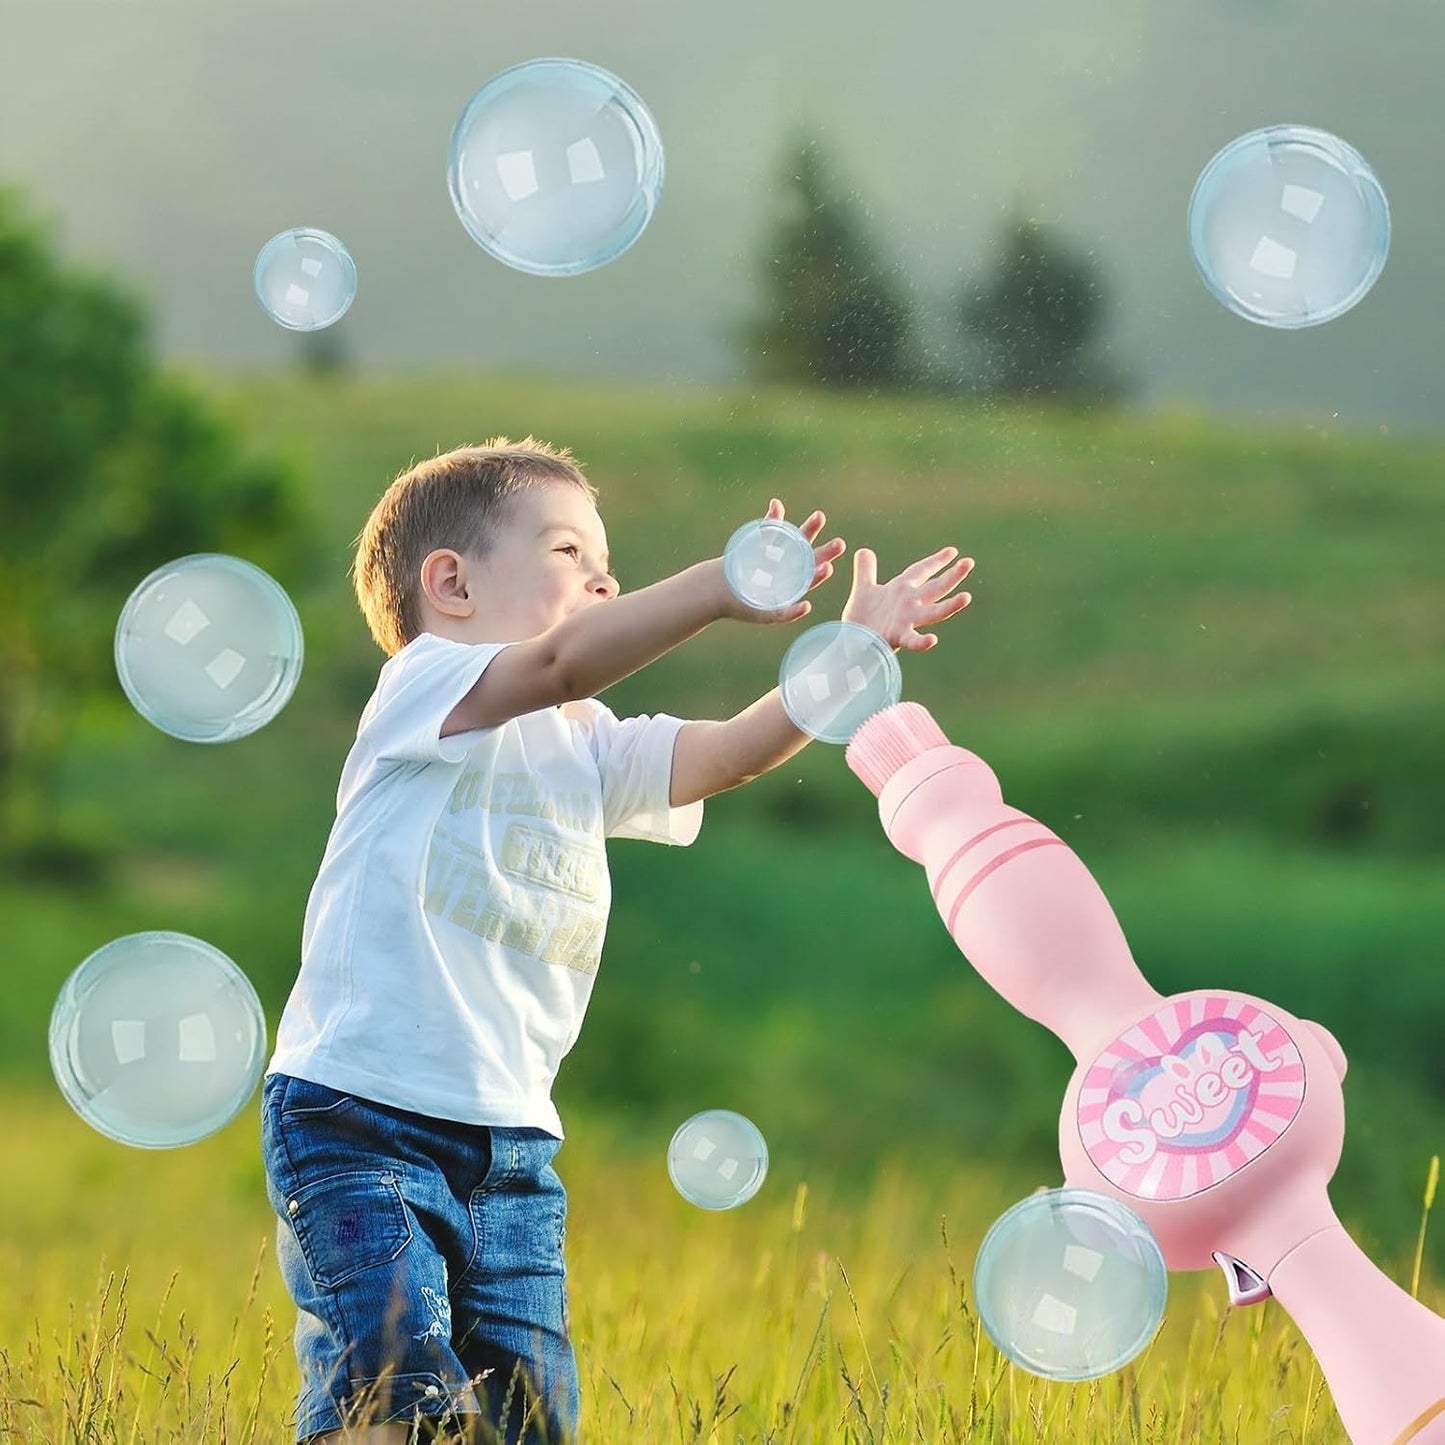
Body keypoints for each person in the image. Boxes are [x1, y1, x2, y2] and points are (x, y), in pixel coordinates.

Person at [259, 437, 975, 1444]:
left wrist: (848, 653)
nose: (603, 577)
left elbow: (726, 754)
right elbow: (558, 659)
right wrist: (721, 586)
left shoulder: (586, 743)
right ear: (450, 584)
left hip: (511, 1146)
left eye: (607, 559)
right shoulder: (424, 686)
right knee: (394, 1395)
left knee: (526, 1418)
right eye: (566, 552)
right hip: (359, 1115)